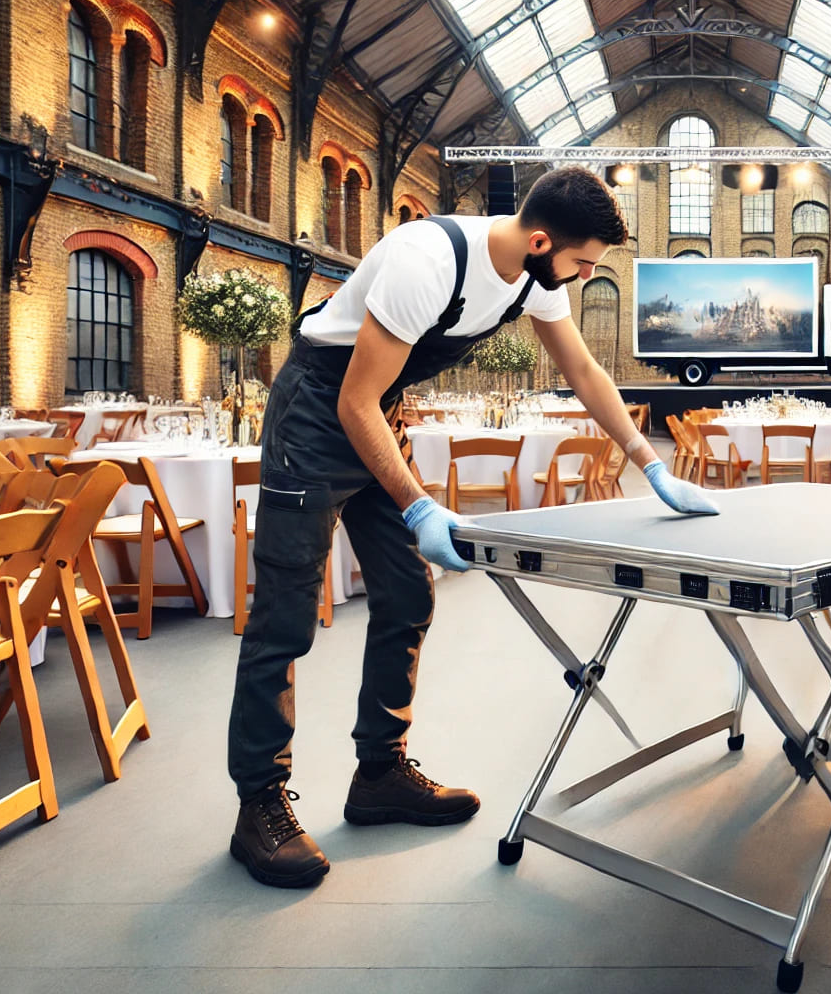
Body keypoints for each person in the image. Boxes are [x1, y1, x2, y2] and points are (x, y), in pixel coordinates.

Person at [226, 166, 720, 888]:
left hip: (371, 414)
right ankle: (258, 807)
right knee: (284, 615)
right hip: (318, 415)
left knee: (406, 595)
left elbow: (584, 372)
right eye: (582, 264)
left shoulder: (535, 278)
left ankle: (379, 773)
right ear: (543, 240)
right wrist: (420, 505)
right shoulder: (424, 261)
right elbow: (353, 401)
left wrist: (651, 465)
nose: (583, 279)